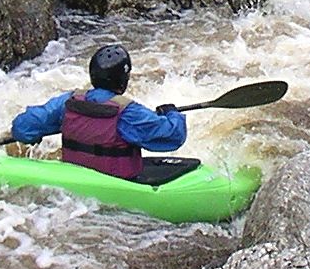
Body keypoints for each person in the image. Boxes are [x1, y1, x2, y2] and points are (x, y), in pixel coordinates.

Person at [10, 45, 187, 180]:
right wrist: (171, 114)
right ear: (123, 79)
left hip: (74, 178)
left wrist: (34, 135)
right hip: (117, 183)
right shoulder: (129, 112)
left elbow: (23, 127)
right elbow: (173, 136)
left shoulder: (69, 101)